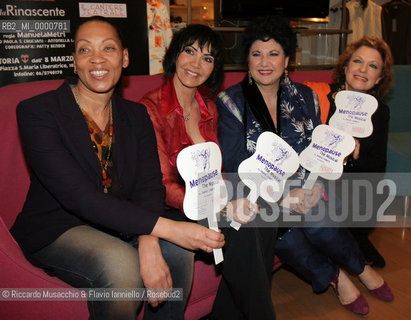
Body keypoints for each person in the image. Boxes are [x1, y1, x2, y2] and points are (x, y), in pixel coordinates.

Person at [10, 16, 224, 320]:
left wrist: (150, 241)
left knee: (177, 252)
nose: (97, 58)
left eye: (108, 48)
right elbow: (78, 197)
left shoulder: (136, 114)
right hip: (59, 228)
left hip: (123, 222)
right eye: (85, 50)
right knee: (121, 264)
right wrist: (166, 228)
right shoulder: (38, 112)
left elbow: (150, 185)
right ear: (74, 61)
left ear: (124, 58)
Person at [215, 15, 393, 316]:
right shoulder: (230, 102)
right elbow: (233, 166)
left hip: (304, 188)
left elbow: (317, 150)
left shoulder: (307, 97)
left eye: (274, 54)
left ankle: (359, 267)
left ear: (288, 59)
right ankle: (335, 277)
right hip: (260, 197)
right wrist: (283, 197)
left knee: (317, 216)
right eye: (256, 53)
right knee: (287, 234)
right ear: (247, 58)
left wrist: (313, 189)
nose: (264, 62)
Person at [139, 24, 275, 320]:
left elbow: (217, 172)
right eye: (190, 51)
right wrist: (224, 206)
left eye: (208, 58)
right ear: (175, 55)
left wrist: (235, 200)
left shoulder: (210, 109)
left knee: (259, 215)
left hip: (208, 202)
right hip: (170, 208)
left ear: (214, 68)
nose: (196, 63)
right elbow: (162, 184)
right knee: (245, 226)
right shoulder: (149, 109)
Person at [305, 37, 394, 268]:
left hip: (351, 187)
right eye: (357, 61)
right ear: (345, 66)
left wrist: (355, 155)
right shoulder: (319, 98)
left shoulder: (379, 112)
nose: (363, 70)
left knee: (368, 190)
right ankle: (350, 246)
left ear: (380, 77)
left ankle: (354, 239)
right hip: (312, 177)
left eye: (373, 66)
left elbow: (377, 165)